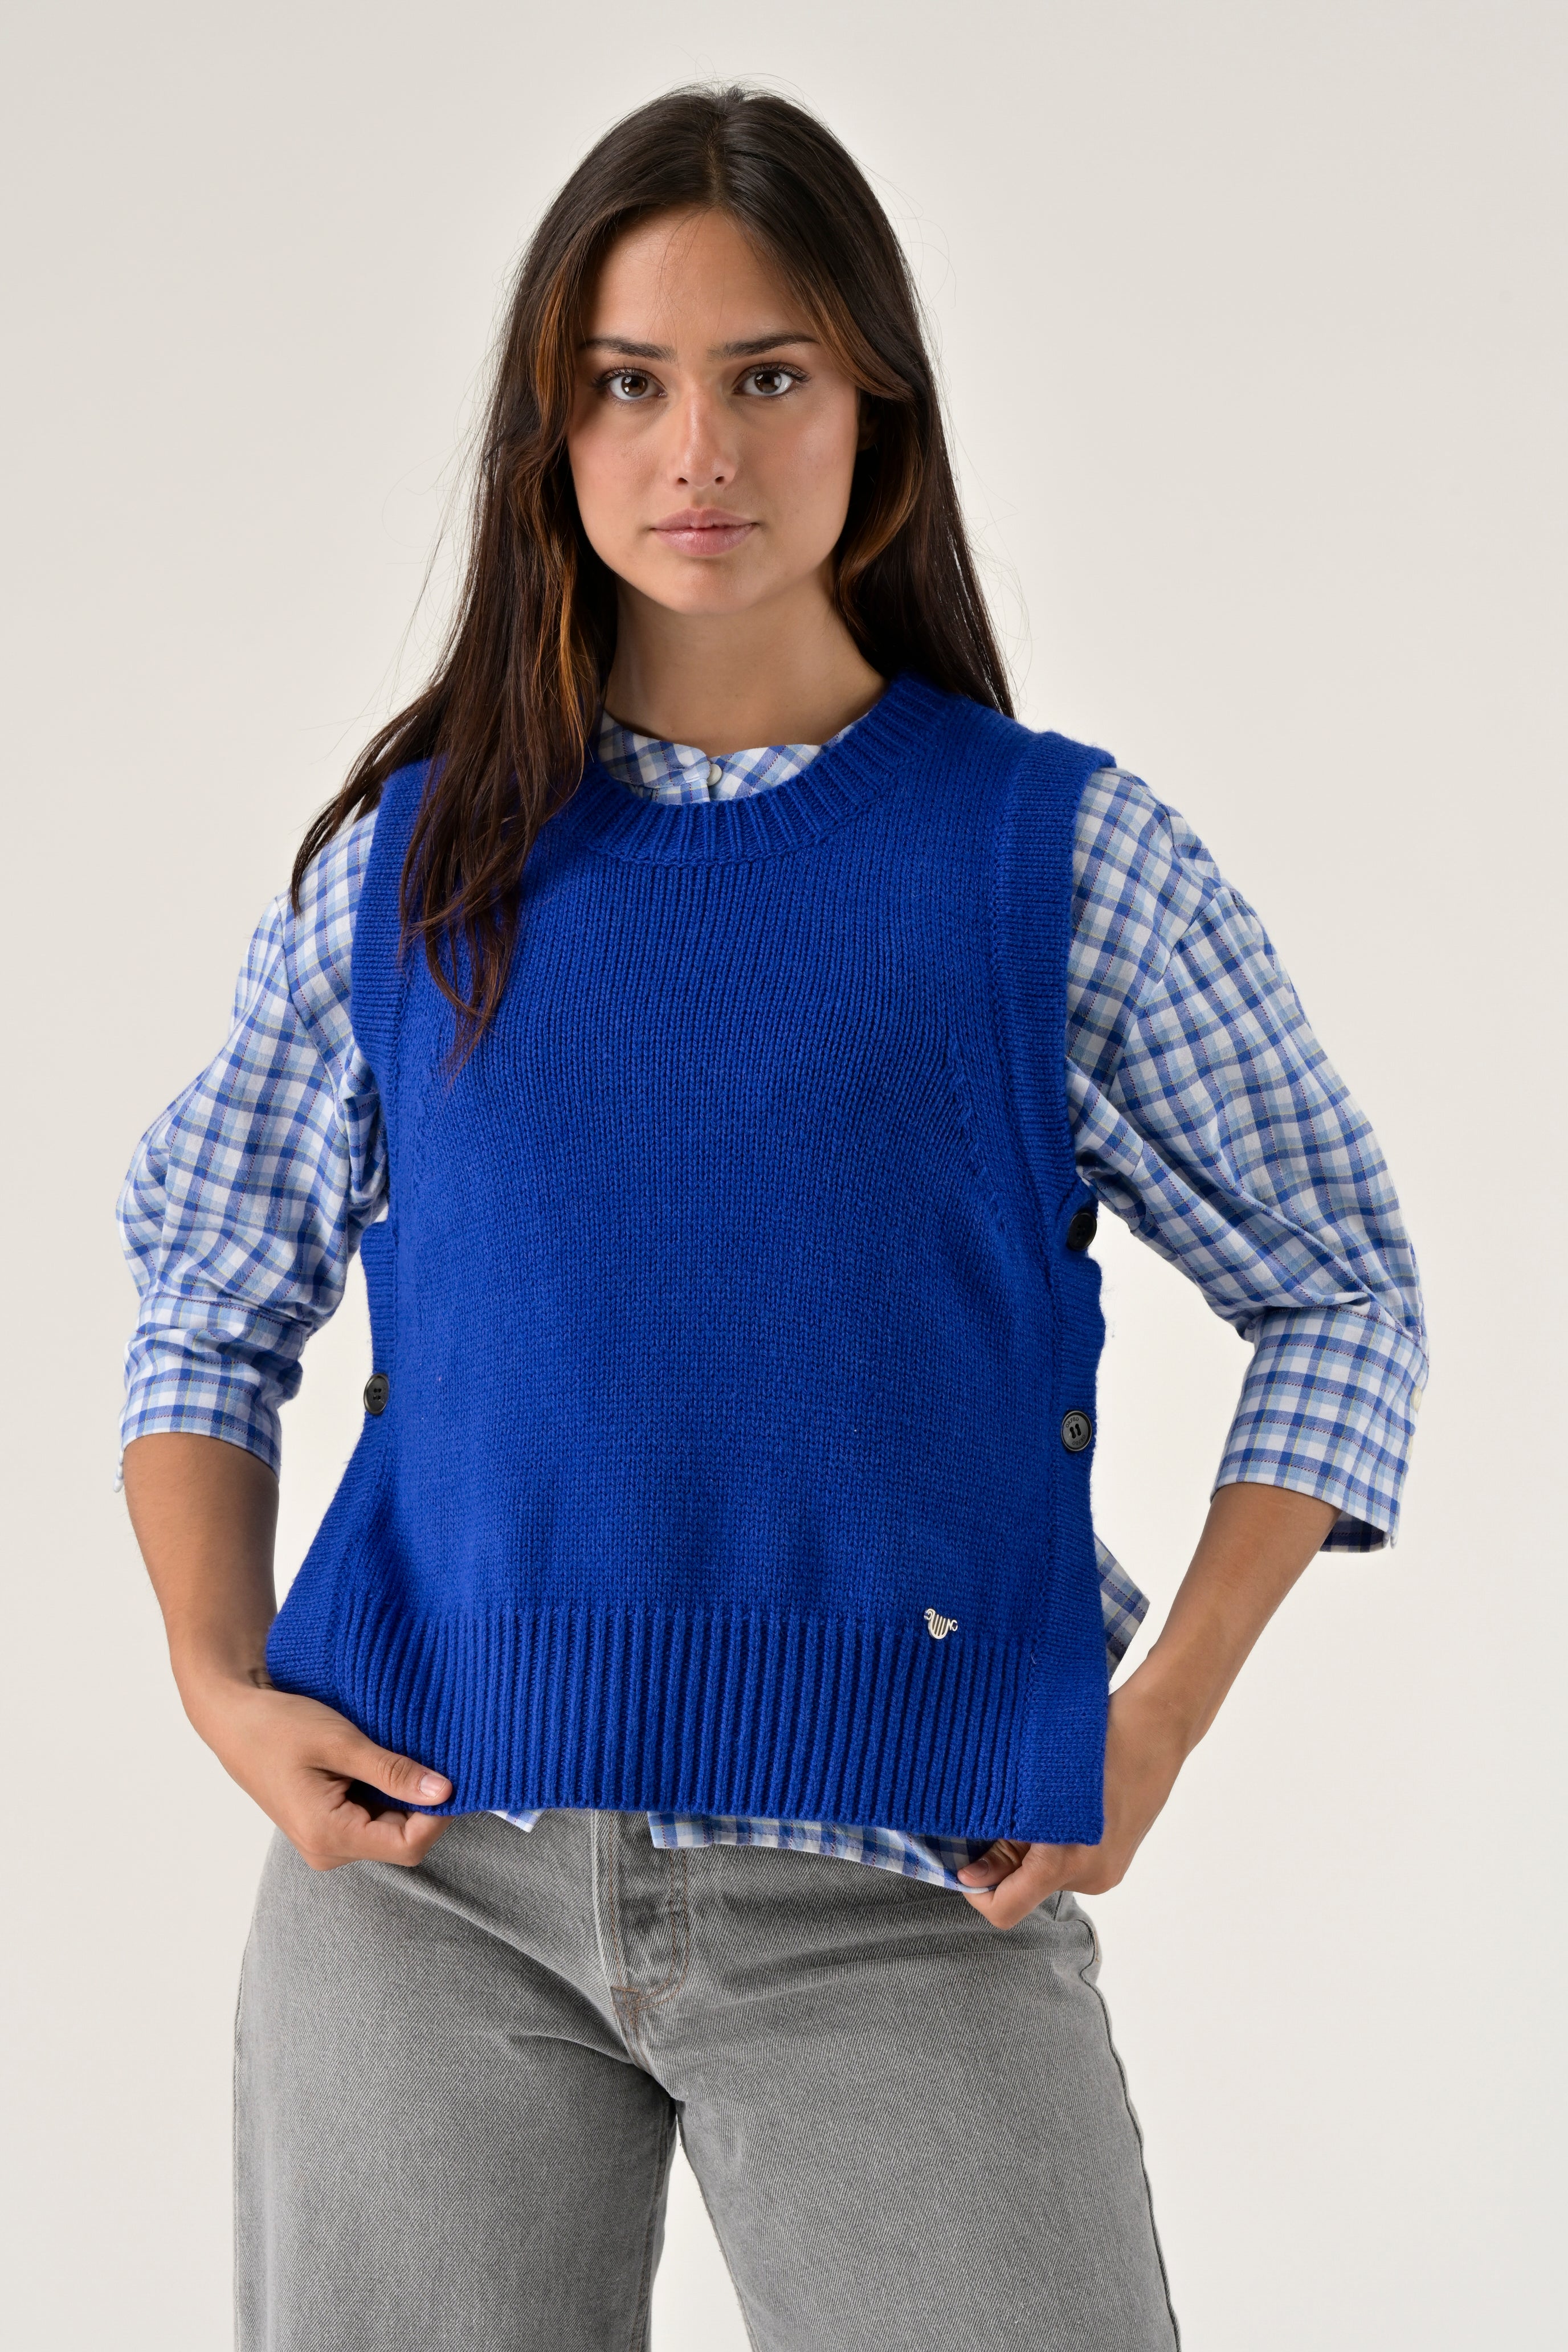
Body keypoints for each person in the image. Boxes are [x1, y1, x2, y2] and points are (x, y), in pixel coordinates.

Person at [116, 84, 1426, 2352]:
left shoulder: (1050, 862)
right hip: (426, 1888)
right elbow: (205, 1291)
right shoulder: (415, 867)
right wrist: (218, 1686)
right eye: (627, 385)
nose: (695, 450)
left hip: (901, 1890)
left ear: (873, 412)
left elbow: (1343, 1291)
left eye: (767, 376)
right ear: (549, 432)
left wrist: (1158, 1723)